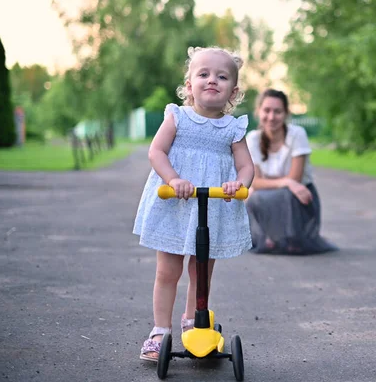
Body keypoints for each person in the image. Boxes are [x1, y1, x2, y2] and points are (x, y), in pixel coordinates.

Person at [132, 46, 254, 362]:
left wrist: (237, 184)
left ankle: (192, 321)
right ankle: (159, 330)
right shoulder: (178, 117)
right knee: (168, 271)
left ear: (234, 90)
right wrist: (173, 179)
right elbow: (156, 152)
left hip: (210, 207)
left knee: (201, 271)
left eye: (221, 76)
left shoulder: (233, 128)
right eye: (203, 74)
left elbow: (246, 167)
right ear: (190, 85)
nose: (212, 80)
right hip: (175, 203)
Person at [244, 89, 337, 255]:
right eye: (267, 110)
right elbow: (255, 182)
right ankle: (271, 236)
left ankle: (291, 237)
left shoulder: (297, 134)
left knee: (283, 194)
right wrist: (286, 181)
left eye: (277, 111)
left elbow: (296, 178)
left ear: (286, 113)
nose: (271, 117)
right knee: (253, 196)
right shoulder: (253, 138)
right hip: (274, 195)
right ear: (258, 112)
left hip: (298, 200)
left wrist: (284, 182)